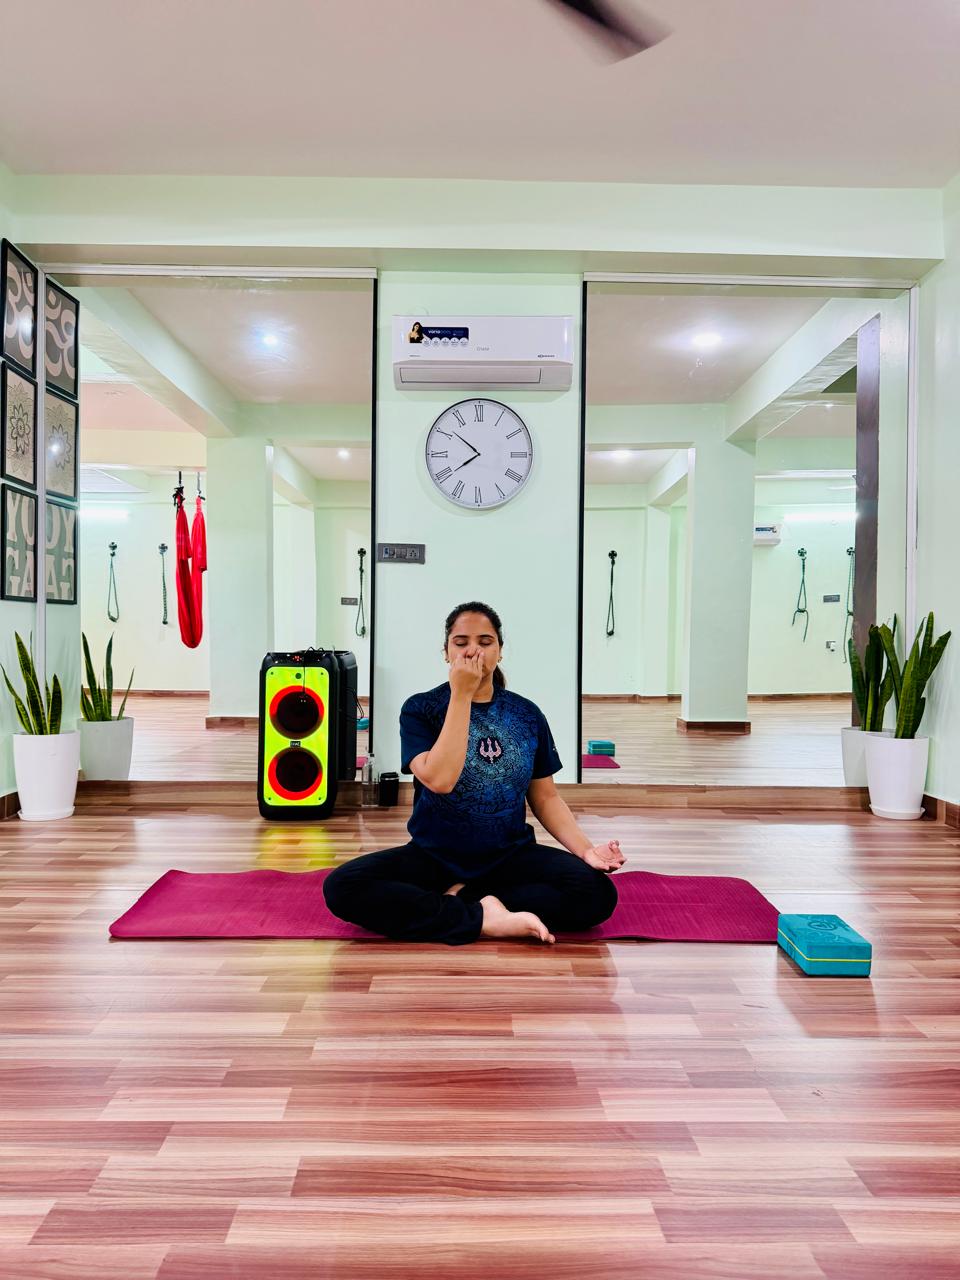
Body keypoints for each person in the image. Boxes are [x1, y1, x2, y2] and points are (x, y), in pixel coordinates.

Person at [323, 600, 625, 944]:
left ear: (500, 651)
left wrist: (587, 851)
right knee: (343, 887)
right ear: (445, 652)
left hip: (509, 856)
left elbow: (546, 797)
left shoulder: (527, 715)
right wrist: (462, 695)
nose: (473, 652)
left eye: (485, 642)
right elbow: (440, 779)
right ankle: (486, 918)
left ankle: (465, 898)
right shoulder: (420, 709)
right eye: (461, 642)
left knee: (597, 895)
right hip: (433, 856)